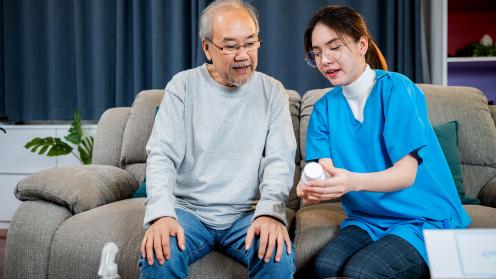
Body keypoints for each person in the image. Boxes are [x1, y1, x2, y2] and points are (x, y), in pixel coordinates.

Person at [298, 5, 470, 279]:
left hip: (421, 217)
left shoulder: (397, 89)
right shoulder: (323, 110)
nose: (325, 60)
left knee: (361, 271)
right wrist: (312, 187)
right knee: (324, 266)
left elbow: (405, 175)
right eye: (317, 53)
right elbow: (327, 175)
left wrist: (350, 181)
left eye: (334, 47)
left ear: (361, 44)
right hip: (367, 219)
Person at [139, 0, 296, 278]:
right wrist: (161, 214)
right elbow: (162, 155)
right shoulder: (183, 86)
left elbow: (279, 161)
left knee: (278, 257)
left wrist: (270, 212)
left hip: (246, 215)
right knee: (159, 255)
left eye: (250, 43)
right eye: (231, 46)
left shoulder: (272, 91)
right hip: (188, 212)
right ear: (207, 48)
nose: (243, 55)